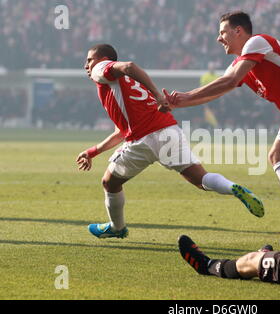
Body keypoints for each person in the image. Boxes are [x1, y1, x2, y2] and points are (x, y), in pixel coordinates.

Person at [163, 12, 280, 247]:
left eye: (222, 32)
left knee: (277, 156)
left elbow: (228, 81)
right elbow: (219, 90)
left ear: (239, 31)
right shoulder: (242, 61)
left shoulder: (256, 42)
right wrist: (179, 103)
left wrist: (185, 96)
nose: (219, 39)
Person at [77, 43, 264, 239]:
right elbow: (120, 132)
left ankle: (117, 227)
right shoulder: (122, 86)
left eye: (89, 59)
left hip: (143, 140)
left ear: (103, 59)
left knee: (110, 182)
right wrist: (93, 151)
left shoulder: (102, 69)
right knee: (200, 179)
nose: (86, 65)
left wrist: (158, 95)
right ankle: (233, 188)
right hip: (169, 130)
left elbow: (130, 66)